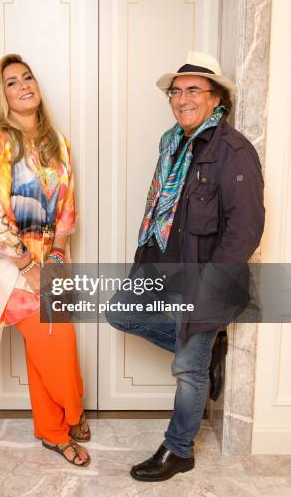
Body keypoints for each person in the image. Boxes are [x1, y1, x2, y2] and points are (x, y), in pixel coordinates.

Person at [106, 51, 265, 482]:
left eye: (193, 89)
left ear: (216, 98)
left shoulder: (233, 150)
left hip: (204, 280)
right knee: (120, 313)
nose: (181, 98)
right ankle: (206, 351)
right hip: (162, 267)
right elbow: (160, 206)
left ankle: (179, 450)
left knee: (186, 371)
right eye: (175, 91)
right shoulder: (170, 141)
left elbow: (245, 229)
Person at [0, 53, 91, 467]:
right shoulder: (0, 142)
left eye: (27, 77)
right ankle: (74, 411)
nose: (24, 86)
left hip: (49, 260)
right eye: (11, 83)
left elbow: (66, 207)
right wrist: (27, 266)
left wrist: (54, 258)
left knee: (43, 350)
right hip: (10, 266)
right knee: (55, 340)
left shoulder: (58, 142)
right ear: (2, 98)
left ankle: (52, 432)